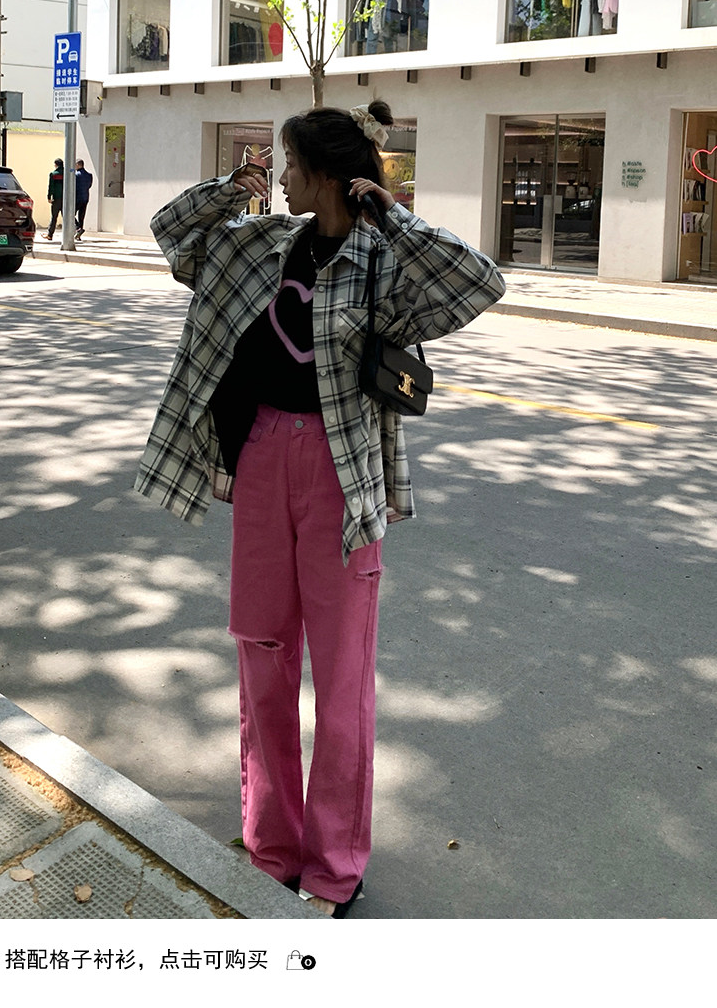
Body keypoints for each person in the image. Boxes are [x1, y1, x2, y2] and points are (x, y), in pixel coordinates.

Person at [134, 100, 505, 917]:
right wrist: (231, 188)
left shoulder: (382, 260)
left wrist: (392, 213)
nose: (283, 177)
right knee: (262, 654)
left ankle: (335, 867)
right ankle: (271, 845)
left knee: (341, 681)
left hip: (345, 475)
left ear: (330, 175)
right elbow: (172, 237)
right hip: (262, 456)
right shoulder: (262, 244)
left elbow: (479, 282)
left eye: (292, 165)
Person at [44, 158, 64, 240]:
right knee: (67, 217)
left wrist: (49, 197)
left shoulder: (53, 174)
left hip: (56, 199)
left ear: (56, 165)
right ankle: (72, 233)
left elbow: (51, 187)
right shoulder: (67, 174)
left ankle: (50, 234)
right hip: (66, 199)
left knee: (54, 217)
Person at [75, 159, 93, 238]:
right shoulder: (89, 175)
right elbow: (89, 186)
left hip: (77, 198)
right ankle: (79, 233)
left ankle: (78, 228)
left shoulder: (76, 175)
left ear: (78, 165)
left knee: (70, 214)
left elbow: (74, 187)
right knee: (81, 217)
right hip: (85, 197)